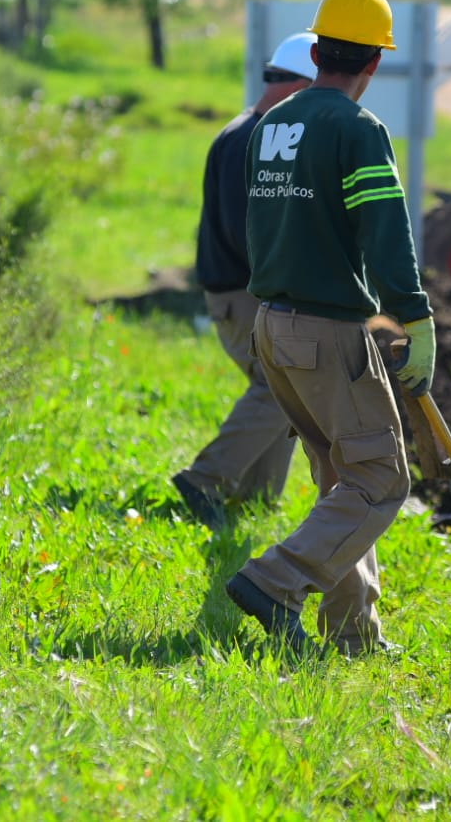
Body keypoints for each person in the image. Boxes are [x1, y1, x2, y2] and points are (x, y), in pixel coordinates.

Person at [222, 0, 435, 657]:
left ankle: (353, 633)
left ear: (315, 53)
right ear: (375, 61)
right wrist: (415, 319)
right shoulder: (356, 129)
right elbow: (385, 232)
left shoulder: (272, 125)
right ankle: (274, 581)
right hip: (327, 333)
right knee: (381, 478)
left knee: (342, 478)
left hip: (272, 326)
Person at [171, 33, 317, 532]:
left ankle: (256, 498)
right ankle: (205, 480)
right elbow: (247, 231)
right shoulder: (252, 140)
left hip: (241, 292)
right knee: (287, 386)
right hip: (244, 294)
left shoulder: (253, 131)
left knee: (282, 388)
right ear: (300, 86)